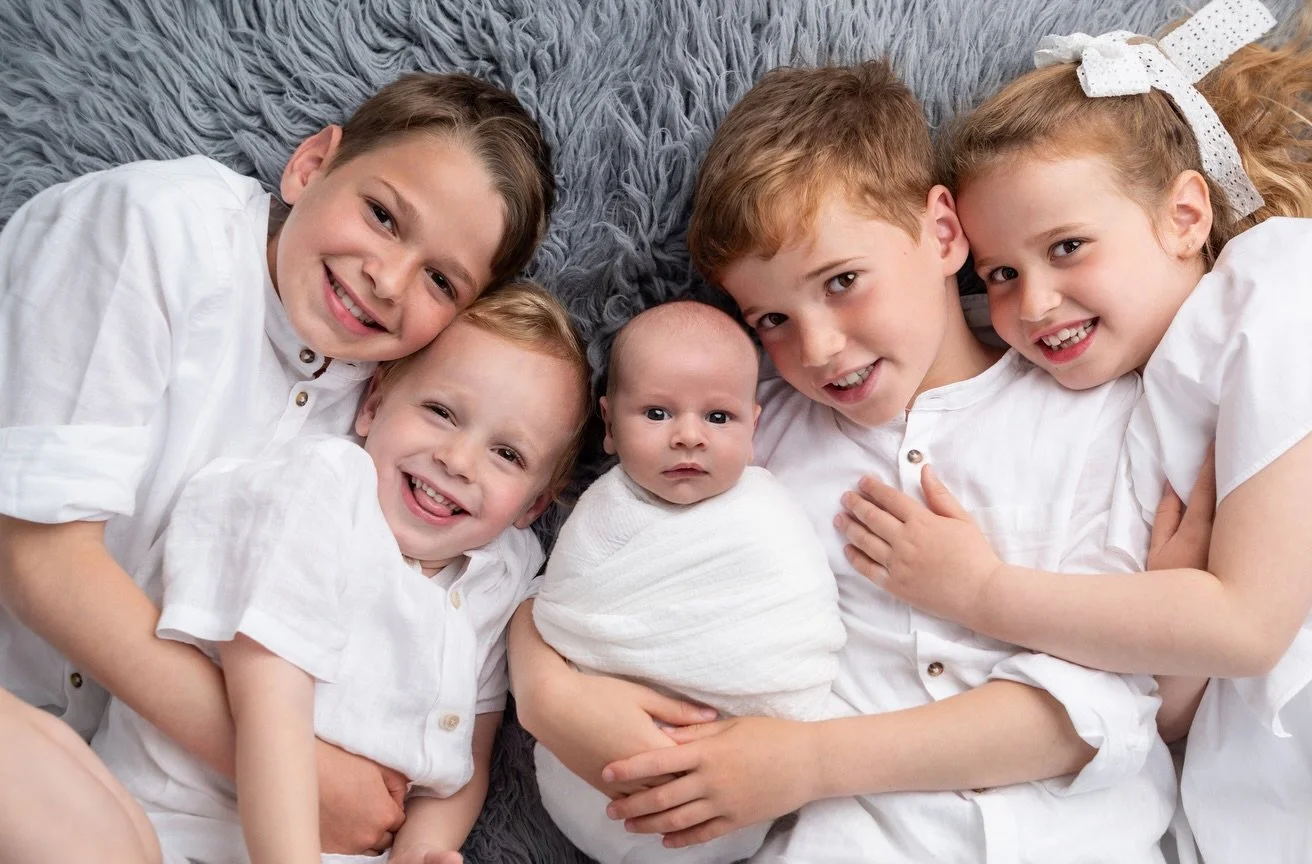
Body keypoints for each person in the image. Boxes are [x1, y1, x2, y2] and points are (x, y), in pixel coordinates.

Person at [509, 61, 1183, 863]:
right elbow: (602, 573)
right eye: (772, 320)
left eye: (843, 282)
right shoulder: (750, 433)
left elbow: (1101, 704)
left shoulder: (1093, 415)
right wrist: (547, 692)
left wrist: (810, 762)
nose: (819, 348)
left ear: (941, 233)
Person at [839, 1, 1312, 860]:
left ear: (1184, 217)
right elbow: (1168, 712)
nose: (1031, 303)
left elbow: (1248, 626)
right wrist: (1173, 612)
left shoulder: (1281, 297)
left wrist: (980, 591)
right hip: (1275, 780)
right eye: (999, 273)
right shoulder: (1128, 410)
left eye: (1067, 247)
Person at [0, 70, 555, 852]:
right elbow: (39, 561)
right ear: (310, 165)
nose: (387, 279)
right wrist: (300, 774)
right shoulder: (154, 228)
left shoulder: (389, 413)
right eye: (382, 215)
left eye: (440, 280)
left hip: (127, 785)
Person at [2, 283, 592, 864]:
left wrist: (419, 850)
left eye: (507, 454)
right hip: (175, 830)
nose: (457, 460)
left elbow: (464, 759)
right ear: (374, 404)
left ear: (534, 505)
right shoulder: (318, 490)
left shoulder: (500, 578)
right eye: (440, 412)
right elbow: (270, 711)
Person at [530, 300, 845, 864]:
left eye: (718, 418)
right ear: (609, 424)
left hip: (749, 774)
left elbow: (801, 631)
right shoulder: (602, 514)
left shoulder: (769, 514)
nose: (688, 437)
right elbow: (562, 616)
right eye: (657, 413)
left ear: (754, 425)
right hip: (597, 760)